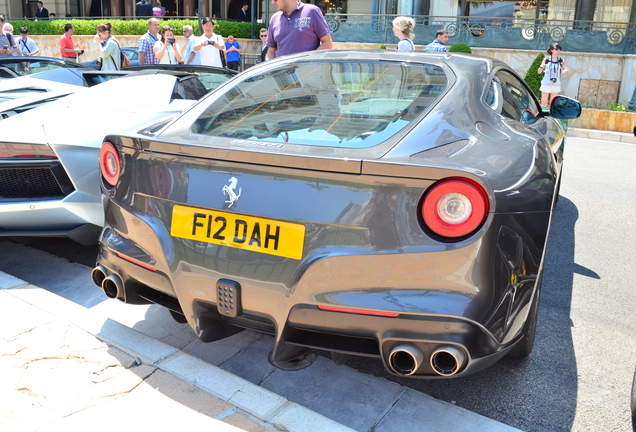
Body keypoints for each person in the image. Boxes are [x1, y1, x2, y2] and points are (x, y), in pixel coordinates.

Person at [265, 0, 332, 60]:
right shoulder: (275, 18)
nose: (273, 2)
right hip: (282, 72)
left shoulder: (312, 11)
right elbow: (271, 51)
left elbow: (327, 43)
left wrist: (310, 61)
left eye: (275, 0)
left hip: (307, 72)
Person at [538, 43, 568, 108]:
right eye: (556, 49)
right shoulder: (547, 59)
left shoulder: (561, 60)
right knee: (544, 103)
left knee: (552, 103)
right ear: (551, 50)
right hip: (546, 83)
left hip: (556, 83)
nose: (558, 51)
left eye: (559, 49)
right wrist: (541, 67)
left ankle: (551, 116)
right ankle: (542, 116)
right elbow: (539, 72)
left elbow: (566, 70)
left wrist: (564, 71)